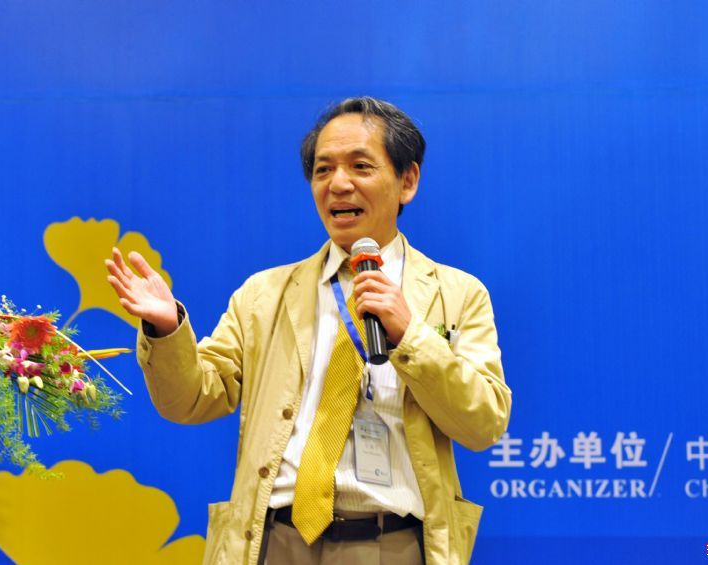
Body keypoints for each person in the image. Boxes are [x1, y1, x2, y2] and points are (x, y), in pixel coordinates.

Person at [106, 97, 511, 565]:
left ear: (407, 181)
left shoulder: (457, 294)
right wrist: (166, 328)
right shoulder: (264, 294)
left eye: (360, 166)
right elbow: (191, 400)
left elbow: (484, 423)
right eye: (323, 170)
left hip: (391, 543)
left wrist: (410, 337)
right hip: (276, 540)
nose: (338, 184)